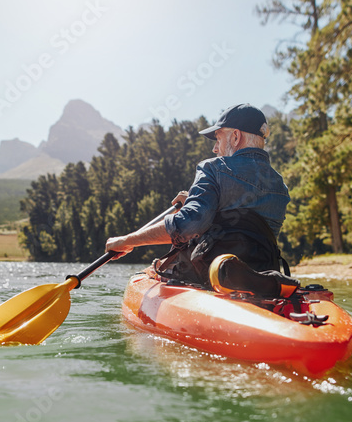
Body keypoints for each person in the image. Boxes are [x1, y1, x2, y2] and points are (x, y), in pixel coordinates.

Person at [105, 103, 296, 295]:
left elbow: (188, 225)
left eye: (218, 139)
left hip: (206, 273)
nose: (214, 149)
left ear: (236, 137)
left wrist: (126, 240)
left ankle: (224, 274)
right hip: (263, 269)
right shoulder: (280, 186)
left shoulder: (213, 168)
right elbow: (243, 221)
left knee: (158, 268)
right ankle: (258, 280)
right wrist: (193, 201)